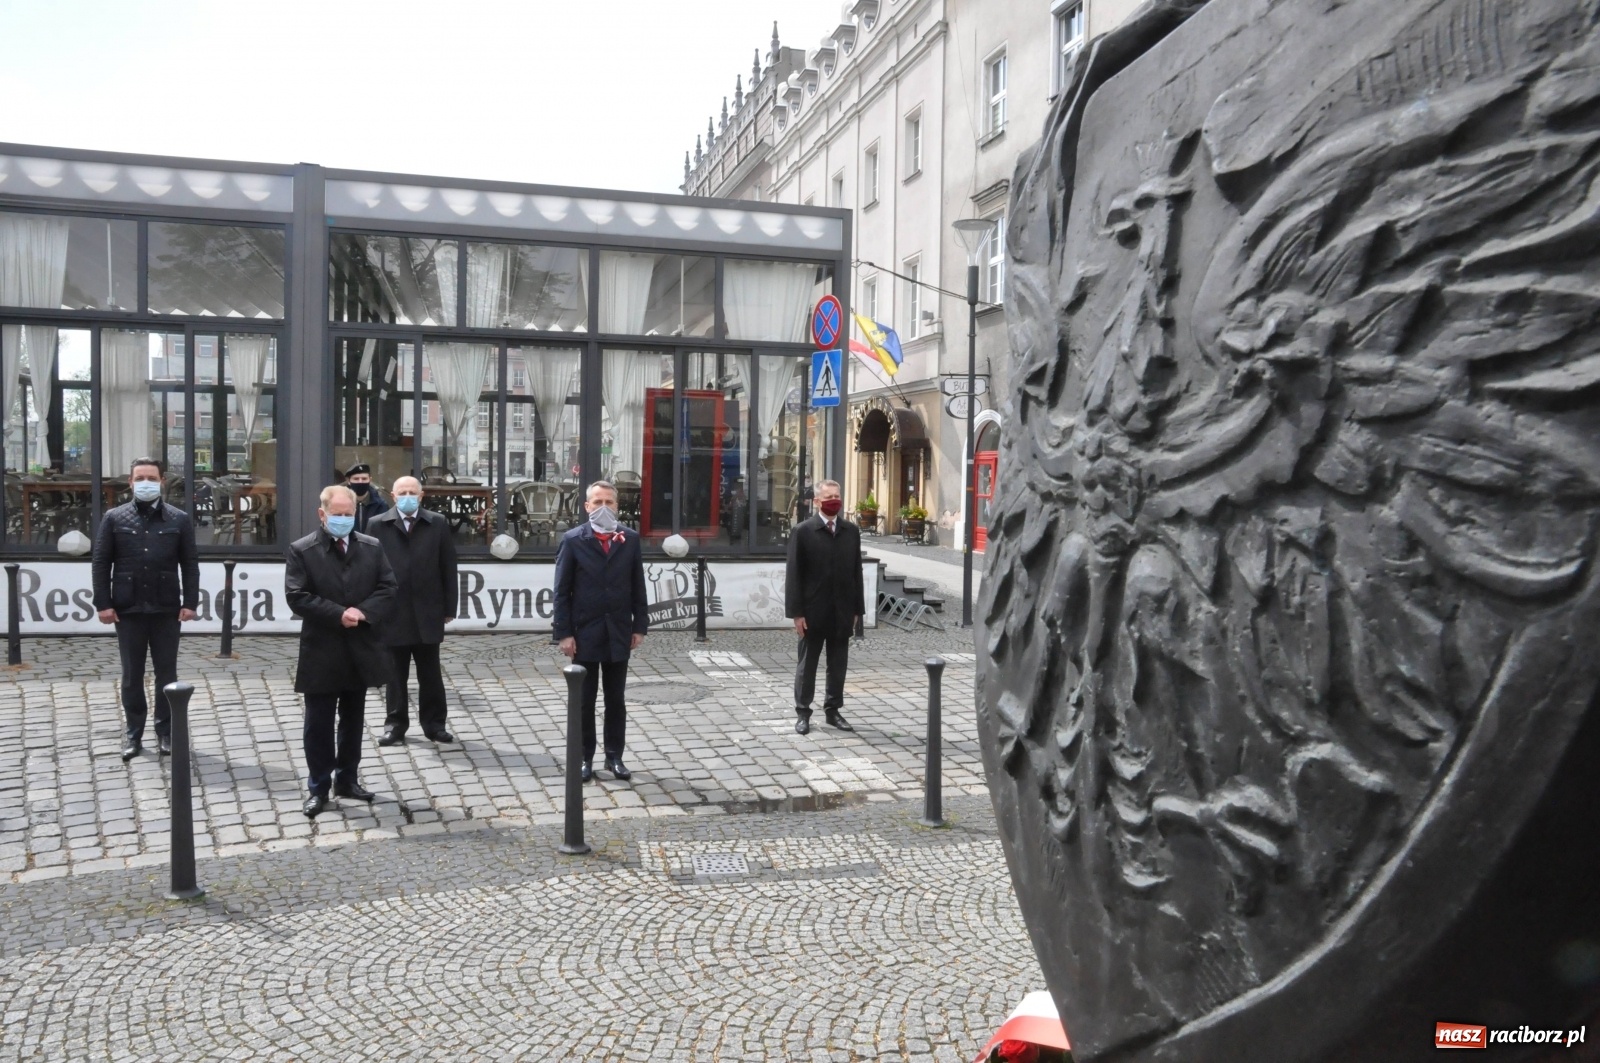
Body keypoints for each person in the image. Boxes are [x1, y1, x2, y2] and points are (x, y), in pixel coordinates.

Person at [285, 484, 397, 818]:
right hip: (321, 649)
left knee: (353, 719)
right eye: (338, 515)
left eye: (349, 515)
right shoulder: (302, 550)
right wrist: (339, 614)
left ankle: (347, 779)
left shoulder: (371, 547)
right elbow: (297, 595)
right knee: (317, 723)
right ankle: (318, 786)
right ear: (323, 514)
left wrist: (363, 612)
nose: (344, 520)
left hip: (360, 647)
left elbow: (388, 587)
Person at [91, 457, 200, 761]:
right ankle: (133, 733)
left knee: (167, 673)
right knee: (131, 675)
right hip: (128, 608)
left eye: (151, 477)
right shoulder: (114, 518)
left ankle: (165, 732)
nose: (145, 483)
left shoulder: (178, 519)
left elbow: (190, 564)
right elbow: (101, 563)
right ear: (130, 481)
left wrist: (190, 602)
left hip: (166, 608)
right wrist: (103, 603)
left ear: (162, 481)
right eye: (140, 478)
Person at [551, 480, 649, 782]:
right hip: (584, 634)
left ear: (617, 507)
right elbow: (561, 591)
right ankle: (584, 758)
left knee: (615, 699)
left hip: (618, 630)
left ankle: (614, 756)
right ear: (586, 506)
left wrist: (639, 626)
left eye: (609, 502)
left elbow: (637, 586)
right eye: (597, 502)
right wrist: (564, 633)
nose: (603, 508)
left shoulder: (629, 540)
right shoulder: (573, 540)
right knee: (585, 700)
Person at [367, 476, 459, 746]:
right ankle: (395, 725)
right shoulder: (377, 524)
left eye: (412, 492)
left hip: (428, 609)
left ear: (421, 496)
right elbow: (368, 569)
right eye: (402, 492)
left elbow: (448, 568)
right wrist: (371, 609)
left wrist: (449, 606)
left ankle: (434, 725)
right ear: (393, 496)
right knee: (395, 674)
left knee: (430, 672)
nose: (407, 496)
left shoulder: (437, 523)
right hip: (392, 611)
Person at [784, 479, 865, 735]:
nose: (835, 500)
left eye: (837, 495)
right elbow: (793, 575)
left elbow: (856, 573)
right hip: (812, 612)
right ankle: (803, 712)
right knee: (807, 665)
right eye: (829, 496)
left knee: (838, 664)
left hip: (841, 610)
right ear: (817, 501)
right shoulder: (803, 531)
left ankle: (833, 710)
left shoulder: (851, 532)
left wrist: (857, 610)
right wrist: (796, 613)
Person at [343, 462, 389, 533]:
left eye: (364, 479)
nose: (360, 482)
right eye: (356, 479)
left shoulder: (381, 505)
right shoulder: (342, 504)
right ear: (349, 481)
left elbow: (385, 531)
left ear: (370, 480)